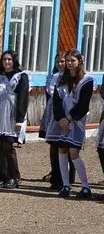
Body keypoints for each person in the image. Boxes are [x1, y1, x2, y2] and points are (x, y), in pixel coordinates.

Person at [46, 49, 95, 199]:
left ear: (79, 61)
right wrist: (60, 118)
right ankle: (65, 185)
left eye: (72, 61)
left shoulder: (87, 80)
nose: (69, 63)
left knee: (74, 153)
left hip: (76, 121)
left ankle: (85, 186)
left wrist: (68, 118)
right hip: (61, 120)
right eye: (67, 61)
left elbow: (83, 104)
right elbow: (56, 100)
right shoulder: (61, 78)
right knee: (62, 150)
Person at [0, 50, 28, 189]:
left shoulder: (21, 76)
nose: (6, 62)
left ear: (14, 61)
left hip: (12, 112)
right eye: (4, 59)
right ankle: (2, 176)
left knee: (8, 146)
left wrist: (20, 119)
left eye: (9, 59)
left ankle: (14, 177)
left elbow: (23, 99)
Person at [41, 53, 75, 190]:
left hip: (67, 112)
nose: (61, 64)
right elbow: (50, 94)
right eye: (58, 62)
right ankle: (55, 175)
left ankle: (69, 177)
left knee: (69, 144)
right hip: (53, 111)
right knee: (54, 145)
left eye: (63, 61)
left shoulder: (72, 77)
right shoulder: (53, 76)